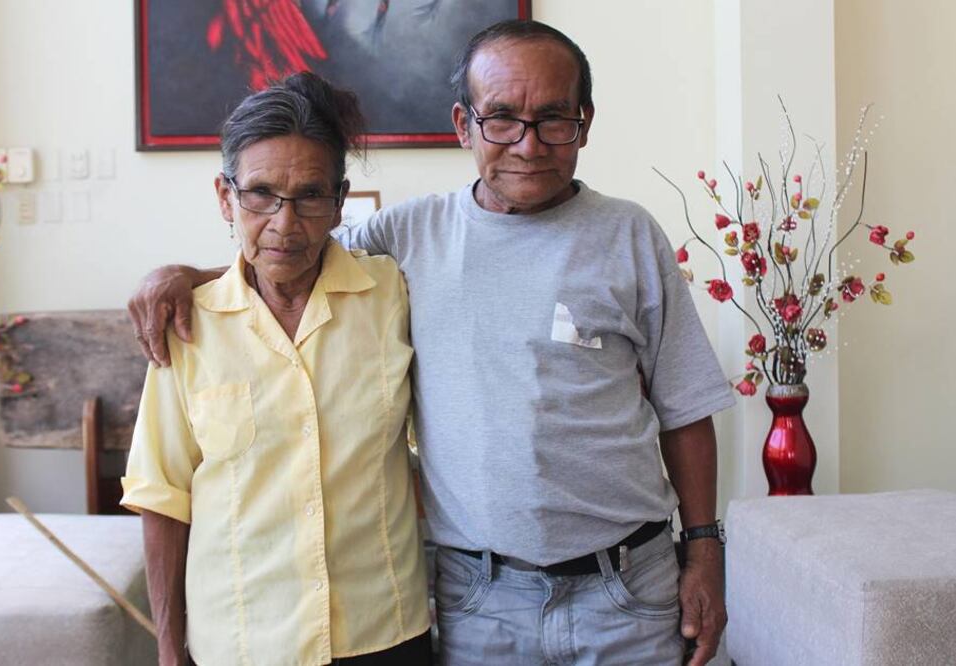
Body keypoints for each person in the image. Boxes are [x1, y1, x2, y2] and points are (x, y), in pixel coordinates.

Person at [129, 21, 733, 666]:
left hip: (628, 586)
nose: (527, 145)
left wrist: (704, 548)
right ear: (462, 124)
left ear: (584, 122)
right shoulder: (410, 237)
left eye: (553, 119)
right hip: (481, 597)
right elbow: (285, 251)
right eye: (501, 118)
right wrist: (186, 278)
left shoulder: (629, 236)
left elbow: (685, 407)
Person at [120, 72, 431, 666]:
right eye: (260, 194)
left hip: (383, 630)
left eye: (310, 196)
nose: (285, 224)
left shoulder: (393, 296)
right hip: (241, 639)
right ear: (224, 197)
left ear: (340, 202)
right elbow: (163, 495)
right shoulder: (188, 326)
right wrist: (167, 647)